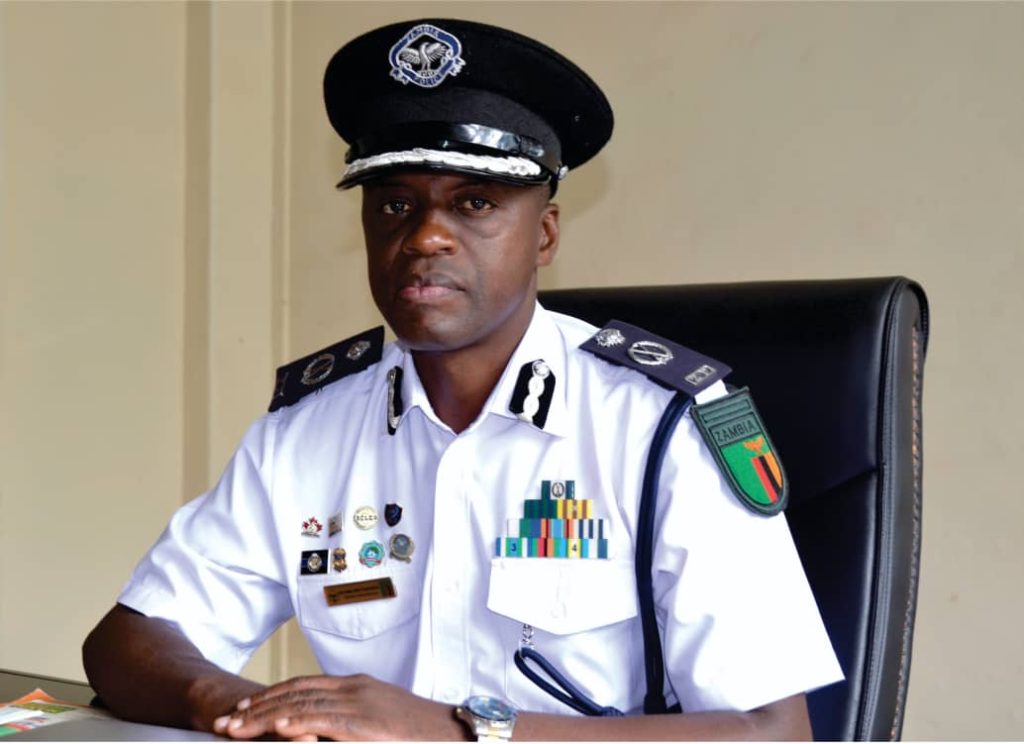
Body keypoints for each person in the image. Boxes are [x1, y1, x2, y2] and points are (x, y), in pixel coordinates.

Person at [83, 18, 842, 741]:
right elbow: (130, 642)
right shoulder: (307, 432)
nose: (425, 237)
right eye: (395, 205)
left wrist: (453, 729)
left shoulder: (661, 426)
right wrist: (247, 707)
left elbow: (774, 732)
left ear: (544, 235)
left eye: (474, 203)